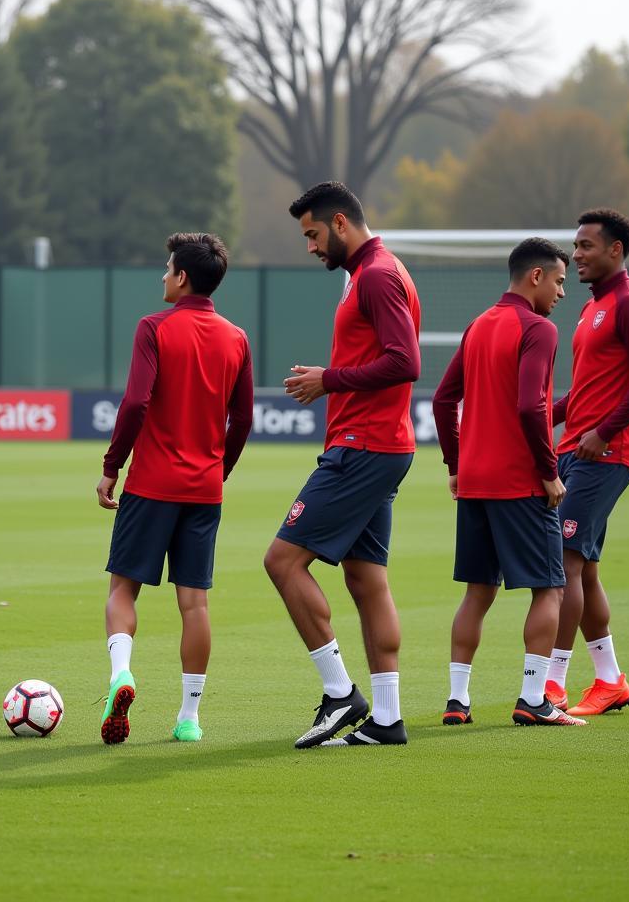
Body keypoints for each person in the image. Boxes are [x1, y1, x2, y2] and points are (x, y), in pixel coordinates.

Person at [266, 181, 420, 748]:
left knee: (282, 562)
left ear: (339, 222)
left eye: (311, 234)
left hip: (364, 444)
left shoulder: (377, 274)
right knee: (366, 579)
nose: (309, 247)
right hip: (379, 444)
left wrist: (327, 378)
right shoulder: (373, 271)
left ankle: (339, 694)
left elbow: (405, 361)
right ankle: (386, 719)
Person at [96, 233, 253, 744]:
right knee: (195, 604)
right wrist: (217, 469)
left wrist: (112, 465)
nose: (162, 276)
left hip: (152, 484)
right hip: (204, 490)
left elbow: (136, 403)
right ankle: (189, 719)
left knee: (123, 588)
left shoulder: (153, 327)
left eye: (166, 268)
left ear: (183, 277)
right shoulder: (236, 337)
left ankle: (122, 674)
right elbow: (244, 418)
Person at [433, 237, 585, 727]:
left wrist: (456, 466)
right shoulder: (537, 328)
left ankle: (457, 701)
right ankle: (534, 699)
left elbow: (441, 400)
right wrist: (547, 472)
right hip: (520, 483)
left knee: (478, 591)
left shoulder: (479, 324)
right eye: (560, 281)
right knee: (550, 589)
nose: (564, 292)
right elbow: (528, 405)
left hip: (475, 481)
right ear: (535, 276)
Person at [544, 209, 629, 716]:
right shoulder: (594, 308)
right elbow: (588, 391)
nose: (578, 254)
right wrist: (542, 417)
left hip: (605, 453)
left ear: (617, 250)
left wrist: (604, 433)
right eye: (576, 245)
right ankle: (610, 680)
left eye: (588, 245)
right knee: (583, 568)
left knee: (564, 561)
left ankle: (551, 685)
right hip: (577, 448)